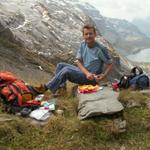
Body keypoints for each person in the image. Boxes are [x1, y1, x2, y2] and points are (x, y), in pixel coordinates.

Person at [36, 24, 112, 95]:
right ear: (83, 35)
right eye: (86, 34)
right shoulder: (83, 44)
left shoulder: (101, 49)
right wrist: (86, 73)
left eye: (90, 33)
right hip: (85, 73)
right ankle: (61, 90)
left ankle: (45, 87)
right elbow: (78, 61)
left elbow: (110, 63)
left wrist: (103, 75)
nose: (88, 36)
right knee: (60, 65)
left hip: (92, 78)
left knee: (67, 70)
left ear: (95, 35)